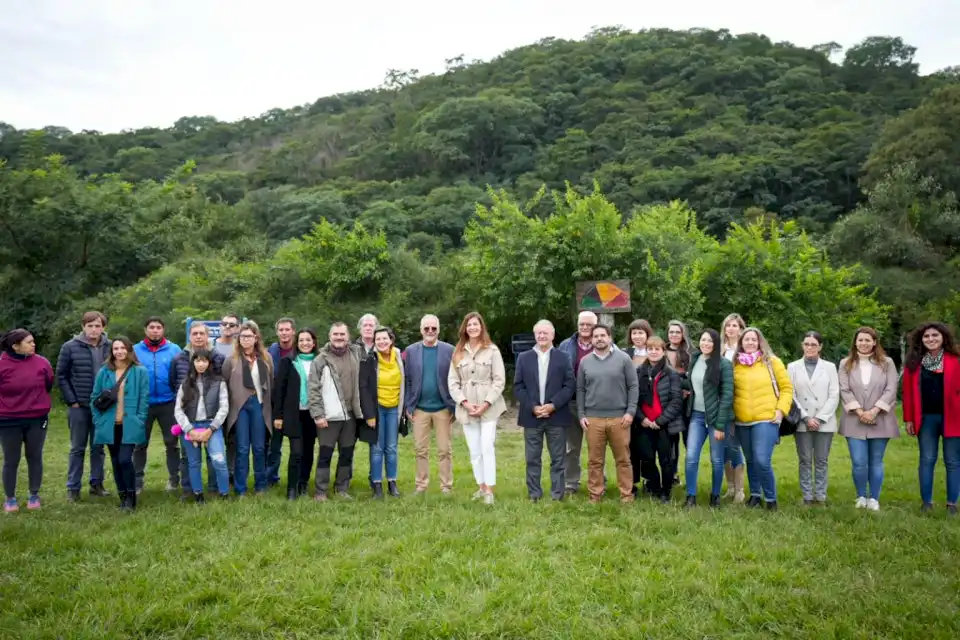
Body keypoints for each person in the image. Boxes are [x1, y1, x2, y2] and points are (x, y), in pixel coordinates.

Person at [513, 320, 575, 502]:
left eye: (545, 333)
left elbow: (569, 384)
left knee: (558, 458)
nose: (542, 336)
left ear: (553, 335)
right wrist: (533, 407)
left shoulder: (563, 358)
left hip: (557, 416)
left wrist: (553, 405)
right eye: (538, 333)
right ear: (534, 335)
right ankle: (534, 493)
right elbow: (518, 386)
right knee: (532, 458)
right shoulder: (524, 358)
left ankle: (557, 494)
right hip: (531, 417)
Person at [732, 326, 793, 511]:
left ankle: (771, 498)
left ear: (760, 342)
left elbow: (787, 388)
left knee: (761, 460)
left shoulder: (771, 362)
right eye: (746, 340)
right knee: (750, 459)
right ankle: (756, 495)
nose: (750, 342)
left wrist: (781, 410)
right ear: (741, 343)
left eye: (753, 339)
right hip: (742, 420)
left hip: (766, 419)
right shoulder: (735, 364)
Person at [838, 327, 899, 512]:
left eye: (867, 340)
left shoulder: (886, 363)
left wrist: (873, 411)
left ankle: (874, 498)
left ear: (874, 342)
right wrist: (860, 412)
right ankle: (860, 496)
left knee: (876, 461)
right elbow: (844, 389)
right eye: (860, 340)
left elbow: (891, 388)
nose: (863, 343)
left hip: (881, 419)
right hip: (854, 420)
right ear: (855, 342)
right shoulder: (845, 363)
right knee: (858, 461)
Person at [902, 322, 960, 515]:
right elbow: (908, 394)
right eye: (926, 336)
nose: (931, 339)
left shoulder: (955, 360)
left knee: (952, 461)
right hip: (926, 419)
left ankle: (952, 503)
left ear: (943, 337)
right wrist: (909, 419)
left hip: (953, 418)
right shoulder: (914, 363)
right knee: (927, 459)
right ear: (921, 339)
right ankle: (926, 502)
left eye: (935, 335)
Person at [449, 312, 506, 505]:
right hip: (467, 408)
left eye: (476, 324)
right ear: (465, 328)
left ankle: (490, 489)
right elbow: (452, 382)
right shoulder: (458, 352)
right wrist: (464, 402)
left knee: (486, 447)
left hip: (488, 408)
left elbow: (499, 380)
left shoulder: (492, 350)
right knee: (474, 450)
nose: (472, 328)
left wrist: (485, 404)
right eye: (469, 325)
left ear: (481, 327)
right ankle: (480, 486)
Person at [577, 324, 639, 504]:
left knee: (623, 459)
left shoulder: (624, 359)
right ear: (591, 339)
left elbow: (633, 386)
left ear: (609, 337)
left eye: (602, 335)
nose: (599, 339)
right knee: (595, 461)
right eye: (595, 336)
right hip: (593, 418)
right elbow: (580, 389)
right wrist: (582, 414)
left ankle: (626, 494)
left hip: (619, 418)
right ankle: (595, 494)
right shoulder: (585, 362)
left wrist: (630, 412)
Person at [57, 311, 112, 501]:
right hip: (79, 405)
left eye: (97, 326)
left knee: (98, 447)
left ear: (103, 328)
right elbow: (61, 376)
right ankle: (73, 488)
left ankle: (96, 484)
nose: (94, 329)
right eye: (90, 325)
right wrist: (71, 401)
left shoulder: (112, 347)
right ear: (83, 327)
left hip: (103, 406)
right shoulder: (70, 347)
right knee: (77, 448)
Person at [307, 322, 365, 501]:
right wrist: (318, 414)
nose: (339, 338)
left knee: (347, 453)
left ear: (348, 336)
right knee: (325, 453)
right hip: (329, 416)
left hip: (350, 415)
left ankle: (341, 488)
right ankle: (320, 491)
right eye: (336, 334)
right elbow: (313, 389)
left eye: (342, 334)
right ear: (329, 337)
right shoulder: (320, 360)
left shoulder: (356, 353)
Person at [90, 337, 149, 512]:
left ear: (129, 350)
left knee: (125, 459)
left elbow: (144, 399)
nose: (119, 351)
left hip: (129, 423)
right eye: (116, 348)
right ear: (112, 351)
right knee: (115, 461)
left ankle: (131, 496)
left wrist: (140, 418)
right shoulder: (104, 372)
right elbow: (94, 398)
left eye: (123, 348)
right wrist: (98, 421)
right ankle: (122, 495)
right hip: (109, 424)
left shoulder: (140, 371)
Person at [0, 330, 54, 513]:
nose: (33, 345)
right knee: (11, 459)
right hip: (8, 420)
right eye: (28, 342)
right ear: (15, 346)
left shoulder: (42, 363)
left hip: (36, 419)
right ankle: (10, 498)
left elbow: (48, 384)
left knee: (35, 456)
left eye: (33, 341)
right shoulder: (2, 364)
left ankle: (34, 495)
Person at [169, 322, 225, 493]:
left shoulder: (218, 359)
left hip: (211, 420)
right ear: (190, 336)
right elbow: (173, 383)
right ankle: (190, 490)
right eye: (195, 334)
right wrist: (188, 428)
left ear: (208, 336)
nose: (198, 337)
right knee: (189, 459)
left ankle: (215, 489)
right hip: (189, 420)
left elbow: (222, 400)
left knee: (214, 458)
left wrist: (212, 426)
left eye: (202, 333)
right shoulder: (179, 358)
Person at [404, 314, 456, 495]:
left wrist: (454, 406)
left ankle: (446, 486)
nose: (430, 331)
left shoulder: (450, 350)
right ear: (421, 330)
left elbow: (456, 379)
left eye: (434, 328)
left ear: (439, 330)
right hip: (419, 409)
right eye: (426, 328)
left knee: (444, 450)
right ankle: (421, 485)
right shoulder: (410, 351)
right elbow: (407, 379)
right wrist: (408, 406)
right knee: (420, 450)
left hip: (443, 408)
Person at [787, 331, 840, 505]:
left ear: (820, 347)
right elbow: (791, 395)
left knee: (821, 460)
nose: (810, 347)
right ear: (802, 345)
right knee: (804, 460)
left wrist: (820, 418)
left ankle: (821, 495)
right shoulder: (793, 367)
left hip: (824, 422)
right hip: (803, 420)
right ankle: (807, 495)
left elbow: (834, 395)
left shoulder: (830, 367)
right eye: (806, 344)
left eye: (813, 345)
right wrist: (806, 417)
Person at [132, 317, 183, 495]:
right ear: (145, 330)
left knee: (171, 442)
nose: (155, 330)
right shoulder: (135, 350)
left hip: (168, 402)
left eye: (158, 327)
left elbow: (180, 374)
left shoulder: (174, 349)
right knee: (140, 443)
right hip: (143, 404)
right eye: (151, 327)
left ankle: (174, 479)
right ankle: (137, 481)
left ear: (163, 330)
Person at [683, 329, 734, 508]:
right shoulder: (695, 359)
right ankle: (691, 496)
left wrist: (720, 425)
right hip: (696, 416)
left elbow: (727, 395)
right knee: (691, 456)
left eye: (710, 341)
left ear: (716, 344)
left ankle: (715, 496)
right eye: (703, 340)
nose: (706, 343)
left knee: (717, 459)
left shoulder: (724, 364)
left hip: (716, 419)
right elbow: (691, 383)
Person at [222, 321, 274, 496]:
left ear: (256, 338)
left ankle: (260, 485)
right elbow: (225, 386)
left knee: (259, 447)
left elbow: (270, 383)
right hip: (240, 408)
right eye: (242, 336)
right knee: (242, 448)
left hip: (259, 405)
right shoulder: (231, 361)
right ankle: (240, 488)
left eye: (249, 336)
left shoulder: (266, 358)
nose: (245, 339)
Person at [173, 349, 230, 502]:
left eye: (204, 361)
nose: (201, 364)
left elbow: (224, 408)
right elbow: (178, 410)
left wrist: (211, 429)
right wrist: (189, 430)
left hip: (212, 426)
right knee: (194, 462)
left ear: (209, 363)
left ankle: (224, 492)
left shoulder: (219, 382)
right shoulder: (185, 383)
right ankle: (198, 494)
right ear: (193, 363)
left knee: (219, 460)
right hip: (190, 426)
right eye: (197, 360)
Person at [359, 327, 405, 499]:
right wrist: (369, 414)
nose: (382, 342)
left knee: (391, 448)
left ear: (391, 340)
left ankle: (392, 483)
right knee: (377, 448)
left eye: (385, 338)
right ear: (374, 342)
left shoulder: (399, 357)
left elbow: (404, 382)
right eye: (378, 339)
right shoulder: (369, 359)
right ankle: (377, 486)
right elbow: (363, 388)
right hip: (377, 409)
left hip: (394, 408)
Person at [636, 337, 684, 503]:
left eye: (657, 349)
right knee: (647, 458)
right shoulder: (639, 372)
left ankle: (666, 491)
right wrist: (642, 419)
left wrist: (660, 421)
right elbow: (633, 399)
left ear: (663, 352)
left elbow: (676, 401)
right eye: (650, 349)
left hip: (665, 425)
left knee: (666, 460)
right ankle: (654, 487)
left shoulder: (671, 374)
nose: (653, 352)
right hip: (645, 424)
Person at [273, 328, 319, 499]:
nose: (305, 343)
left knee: (308, 451)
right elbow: (279, 390)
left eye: (308, 340)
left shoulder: (320, 361)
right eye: (301, 340)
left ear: (313, 342)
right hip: (294, 414)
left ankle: (303, 484)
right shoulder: (288, 362)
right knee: (296, 452)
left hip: (313, 414)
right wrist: (278, 415)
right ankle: (291, 488)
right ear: (296, 343)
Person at [558, 310, 598, 496]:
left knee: (596, 446)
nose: (584, 327)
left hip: (595, 403)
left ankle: (599, 482)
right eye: (582, 324)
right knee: (571, 446)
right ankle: (571, 482)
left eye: (588, 324)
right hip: (571, 403)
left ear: (595, 326)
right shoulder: (566, 345)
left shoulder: (604, 343)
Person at [266, 317, 297, 487]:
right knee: (273, 445)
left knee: (296, 443)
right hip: (274, 402)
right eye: (281, 330)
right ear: (277, 332)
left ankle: (297, 476)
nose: (284, 333)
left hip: (294, 403)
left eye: (287, 329)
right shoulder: (271, 351)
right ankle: (271, 477)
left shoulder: (299, 350)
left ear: (293, 331)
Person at [720, 313, 747, 502]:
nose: (731, 328)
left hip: (741, 402)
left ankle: (740, 489)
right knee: (723, 448)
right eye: (728, 325)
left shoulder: (746, 349)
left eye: (735, 325)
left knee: (734, 446)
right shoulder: (719, 350)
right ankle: (729, 487)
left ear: (741, 329)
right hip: (722, 404)